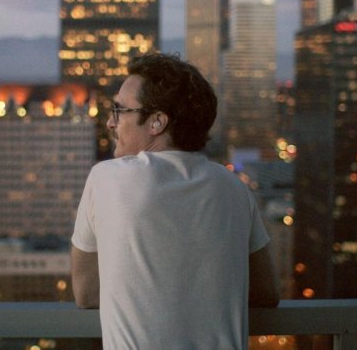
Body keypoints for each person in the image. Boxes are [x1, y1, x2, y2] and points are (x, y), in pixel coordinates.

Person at [71, 53, 279, 349]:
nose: (110, 123)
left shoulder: (106, 179)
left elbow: (87, 294)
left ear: (157, 122)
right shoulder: (234, 187)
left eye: (119, 110)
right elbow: (266, 293)